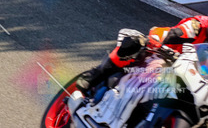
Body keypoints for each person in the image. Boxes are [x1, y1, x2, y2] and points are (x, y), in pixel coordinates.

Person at [77, 15, 208, 95]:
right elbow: (174, 33)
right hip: (163, 58)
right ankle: (96, 74)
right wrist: (155, 39)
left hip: (192, 83)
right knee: (136, 43)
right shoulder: (200, 25)